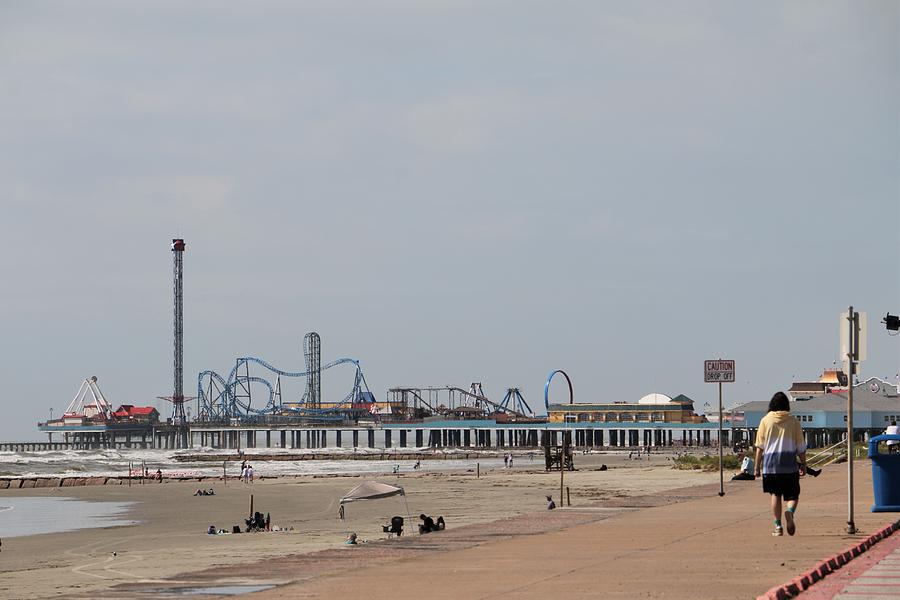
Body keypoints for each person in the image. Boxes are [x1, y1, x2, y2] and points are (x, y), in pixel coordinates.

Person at [754, 391, 807, 537]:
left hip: (771, 466)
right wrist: (803, 464)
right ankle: (789, 513)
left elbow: (760, 447)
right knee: (793, 495)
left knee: (775, 495)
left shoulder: (765, 421)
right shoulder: (794, 422)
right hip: (789, 465)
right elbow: (800, 447)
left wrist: (756, 467)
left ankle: (778, 527)